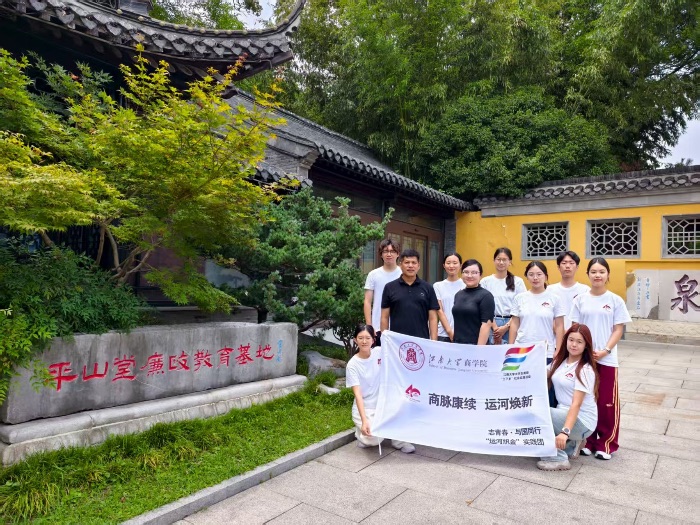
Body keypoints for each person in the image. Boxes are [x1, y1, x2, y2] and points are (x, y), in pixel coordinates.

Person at [570, 257, 631, 460]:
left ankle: (606, 443)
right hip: (585, 358)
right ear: (587, 274)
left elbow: (618, 329)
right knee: (586, 400)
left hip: (606, 359)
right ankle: (588, 440)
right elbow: (576, 328)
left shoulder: (615, 300)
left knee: (606, 402)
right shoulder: (580, 299)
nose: (597, 275)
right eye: (594, 271)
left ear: (607, 275)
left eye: (601, 271)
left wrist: (605, 350)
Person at [537, 323, 599, 471]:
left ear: (586, 345)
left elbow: (576, 404)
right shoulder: (561, 362)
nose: (574, 344)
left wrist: (565, 432)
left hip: (583, 421)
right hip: (564, 415)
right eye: (571, 340)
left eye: (579, 342)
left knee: (539, 413)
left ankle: (559, 459)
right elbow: (539, 373)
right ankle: (572, 445)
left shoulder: (585, 370)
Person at [345, 324, 415, 453]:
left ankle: (399, 440)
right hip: (366, 407)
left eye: (368, 338)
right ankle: (361, 434)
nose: (364, 341)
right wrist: (364, 421)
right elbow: (358, 395)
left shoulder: (379, 352)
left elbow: (398, 350)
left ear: (373, 339)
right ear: (355, 340)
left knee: (405, 402)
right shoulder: (352, 365)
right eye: (360, 338)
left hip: (383, 403)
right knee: (373, 439)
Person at [509, 261, 565, 363]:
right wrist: (510, 347)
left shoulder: (555, 299)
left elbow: (559, 326)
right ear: (526, 277)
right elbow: (514, 324)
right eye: (531, 274)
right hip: (521, 349)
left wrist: (559, 350)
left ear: (546, 277)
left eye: (539, 274)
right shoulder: (519, 298)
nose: (535, 278)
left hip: (546, 350)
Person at [381, 249, 439, 340]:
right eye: (407, 262)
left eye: (414, 263)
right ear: (400, 265)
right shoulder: (389, 287)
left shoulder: (428, 288)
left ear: (419, 265)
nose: (410, 266)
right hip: (397, 342)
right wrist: (385, 340)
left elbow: (433, 318)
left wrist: (434, 341)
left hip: (421, 341)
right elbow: (384, 317)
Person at [481, 248, 526, 344]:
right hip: (490, 323)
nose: (501, 262)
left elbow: (521, 306)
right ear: (494, 261)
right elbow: (483, 307)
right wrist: (495, 328)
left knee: (509, 352)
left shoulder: (518, 282)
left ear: (510, 262)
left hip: (512, 323)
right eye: (498, 259)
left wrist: (506, 327)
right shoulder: (485, 282)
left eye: (504, 260)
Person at [364, 239, 402, 346]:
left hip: (399, 328)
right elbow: (367, 301)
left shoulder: (403, 274)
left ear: (398, 254)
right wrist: (369, 326)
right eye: (385, 251)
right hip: (377, 327)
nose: (389, 254)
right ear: (381, 254)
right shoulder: (373, 274)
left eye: (392, 251)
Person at [452, 259, 495, 345]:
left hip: (475, 345)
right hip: (457, 344)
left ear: (480, 275)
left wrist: (479, 350)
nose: (469, 275)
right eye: (466, 272)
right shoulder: (458, 295)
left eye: (474, 272)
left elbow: (486, 325)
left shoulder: (486, 296)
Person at [548, 251, 590, 330]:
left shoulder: (585, 290)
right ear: (558, 267)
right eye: (564, 263)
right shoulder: (549, 290)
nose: (567, 266)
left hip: (578, 335)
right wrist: (561, 332)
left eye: (571, 263)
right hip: (554, 335)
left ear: (577, 267)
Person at [433, 252, 466, 342]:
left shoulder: (466, 285)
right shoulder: (438, 286)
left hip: (463, 334)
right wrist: (449, 332)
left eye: (455, 263)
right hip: (443, 334)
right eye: (448, 263)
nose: (451, 266)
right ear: (444, 265)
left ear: (460, 265)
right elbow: (439, 311)